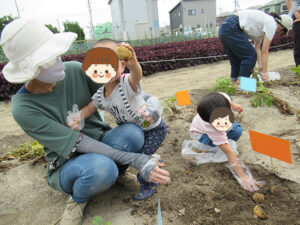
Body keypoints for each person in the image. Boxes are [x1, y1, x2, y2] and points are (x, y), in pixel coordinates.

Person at [0, 18, 170, 225]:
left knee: (132, 132)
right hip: (70, 161)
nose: (59, 62)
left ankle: (116, 175)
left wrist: (149, 103)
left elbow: (119, 89)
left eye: (57, 55)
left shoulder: (73, 70)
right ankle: (78, 199)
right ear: (31, 69)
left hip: (104, 141)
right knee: (102, 169)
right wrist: (136, 159)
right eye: (49, 59)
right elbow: (80, 142)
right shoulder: (24, 108)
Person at [68, 39, 167, 201]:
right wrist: (77, 117)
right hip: (134, 131)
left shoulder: (126, 83)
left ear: (121, 66)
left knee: (142, 158)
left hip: (152, 129)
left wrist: (134, 64)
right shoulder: (101, 95)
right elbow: (90, 108)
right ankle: (121, 176)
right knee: (127, 155)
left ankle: (149, 181)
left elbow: (137, 76)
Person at [189, 92, 260, 192]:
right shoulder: (211, 127)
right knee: (224, 146)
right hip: (201, 134)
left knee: (237, 131)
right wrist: (242, 175)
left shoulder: (222, 98)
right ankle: (212, 144)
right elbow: (228, 151)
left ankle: (222, 139)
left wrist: (233, 105)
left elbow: (226, 98)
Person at [219, 9, 293, 84]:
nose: (280, 34)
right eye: (283, 32)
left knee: (236, 59)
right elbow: (265, 51)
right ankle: (242, 85)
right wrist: (265, 72)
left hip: (225, 27)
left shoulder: (263, 24)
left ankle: (233, 83)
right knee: (250, 56)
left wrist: (260, 65)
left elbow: (257, 47)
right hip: (233, 26)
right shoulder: (272, 24)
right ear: (281, 27)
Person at [286, 0, 300, 72]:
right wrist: (295, 13)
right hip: (297, 19)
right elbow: (288, 2)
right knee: (298, 45)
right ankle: (298, 69)